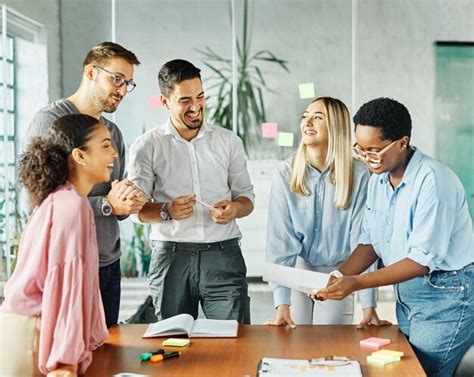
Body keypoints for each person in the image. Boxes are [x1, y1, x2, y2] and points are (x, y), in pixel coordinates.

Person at [313, 97, 474, 377]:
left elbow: (420, 261)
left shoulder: (434, 181)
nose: (366, 158)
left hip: (447, 295)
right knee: (403, 369)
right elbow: (370, 242)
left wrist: (355, 283)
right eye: (360, 150)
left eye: (374, 150)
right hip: (409, 295)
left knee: (421, 372)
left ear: (402, 142)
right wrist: (338, 276)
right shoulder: (379, 179)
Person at [24, 42, 146, 327]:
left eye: (128, 83)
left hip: (107, 264)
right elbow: (40, 206)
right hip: (69, 266)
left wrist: (126, 203)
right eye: (117, 79)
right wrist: (107, 205)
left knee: (107, 356)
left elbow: (116, 202)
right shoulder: (50, 121)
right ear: (91, 72)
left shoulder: (112, 132)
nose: (123, 90)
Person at [127, 59, 255, 324]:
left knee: (234, 341)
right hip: (171, 258)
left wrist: (234, 209)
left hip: (223, 256)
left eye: (200, 97)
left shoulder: (228, 141)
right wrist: (166, 211)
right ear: (165, 102)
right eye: (185, 100)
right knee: (173, 343)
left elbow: (246, 198)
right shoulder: (146, 146)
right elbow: (135, 210)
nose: (196, 107)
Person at [0, 114, 114, 376]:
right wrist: (65, 362)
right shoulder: (70, 206)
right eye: (105, 145)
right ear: (80, 156)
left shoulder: (68, 200)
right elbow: (64, 284)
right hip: (32, 336)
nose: (114, 154)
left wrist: (92, 339)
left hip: (38, 331)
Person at [264, 97, 388, 328]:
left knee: (331, 343)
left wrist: (369, 307)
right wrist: (282, 305)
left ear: (335, 128)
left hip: (342, 270)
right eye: (305, 116)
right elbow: (279, 243)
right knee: (295, 341)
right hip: (299, 268)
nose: (307, 122)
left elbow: (364, 243)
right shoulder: (285, 173)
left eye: (317, 117)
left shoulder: (359, 175)